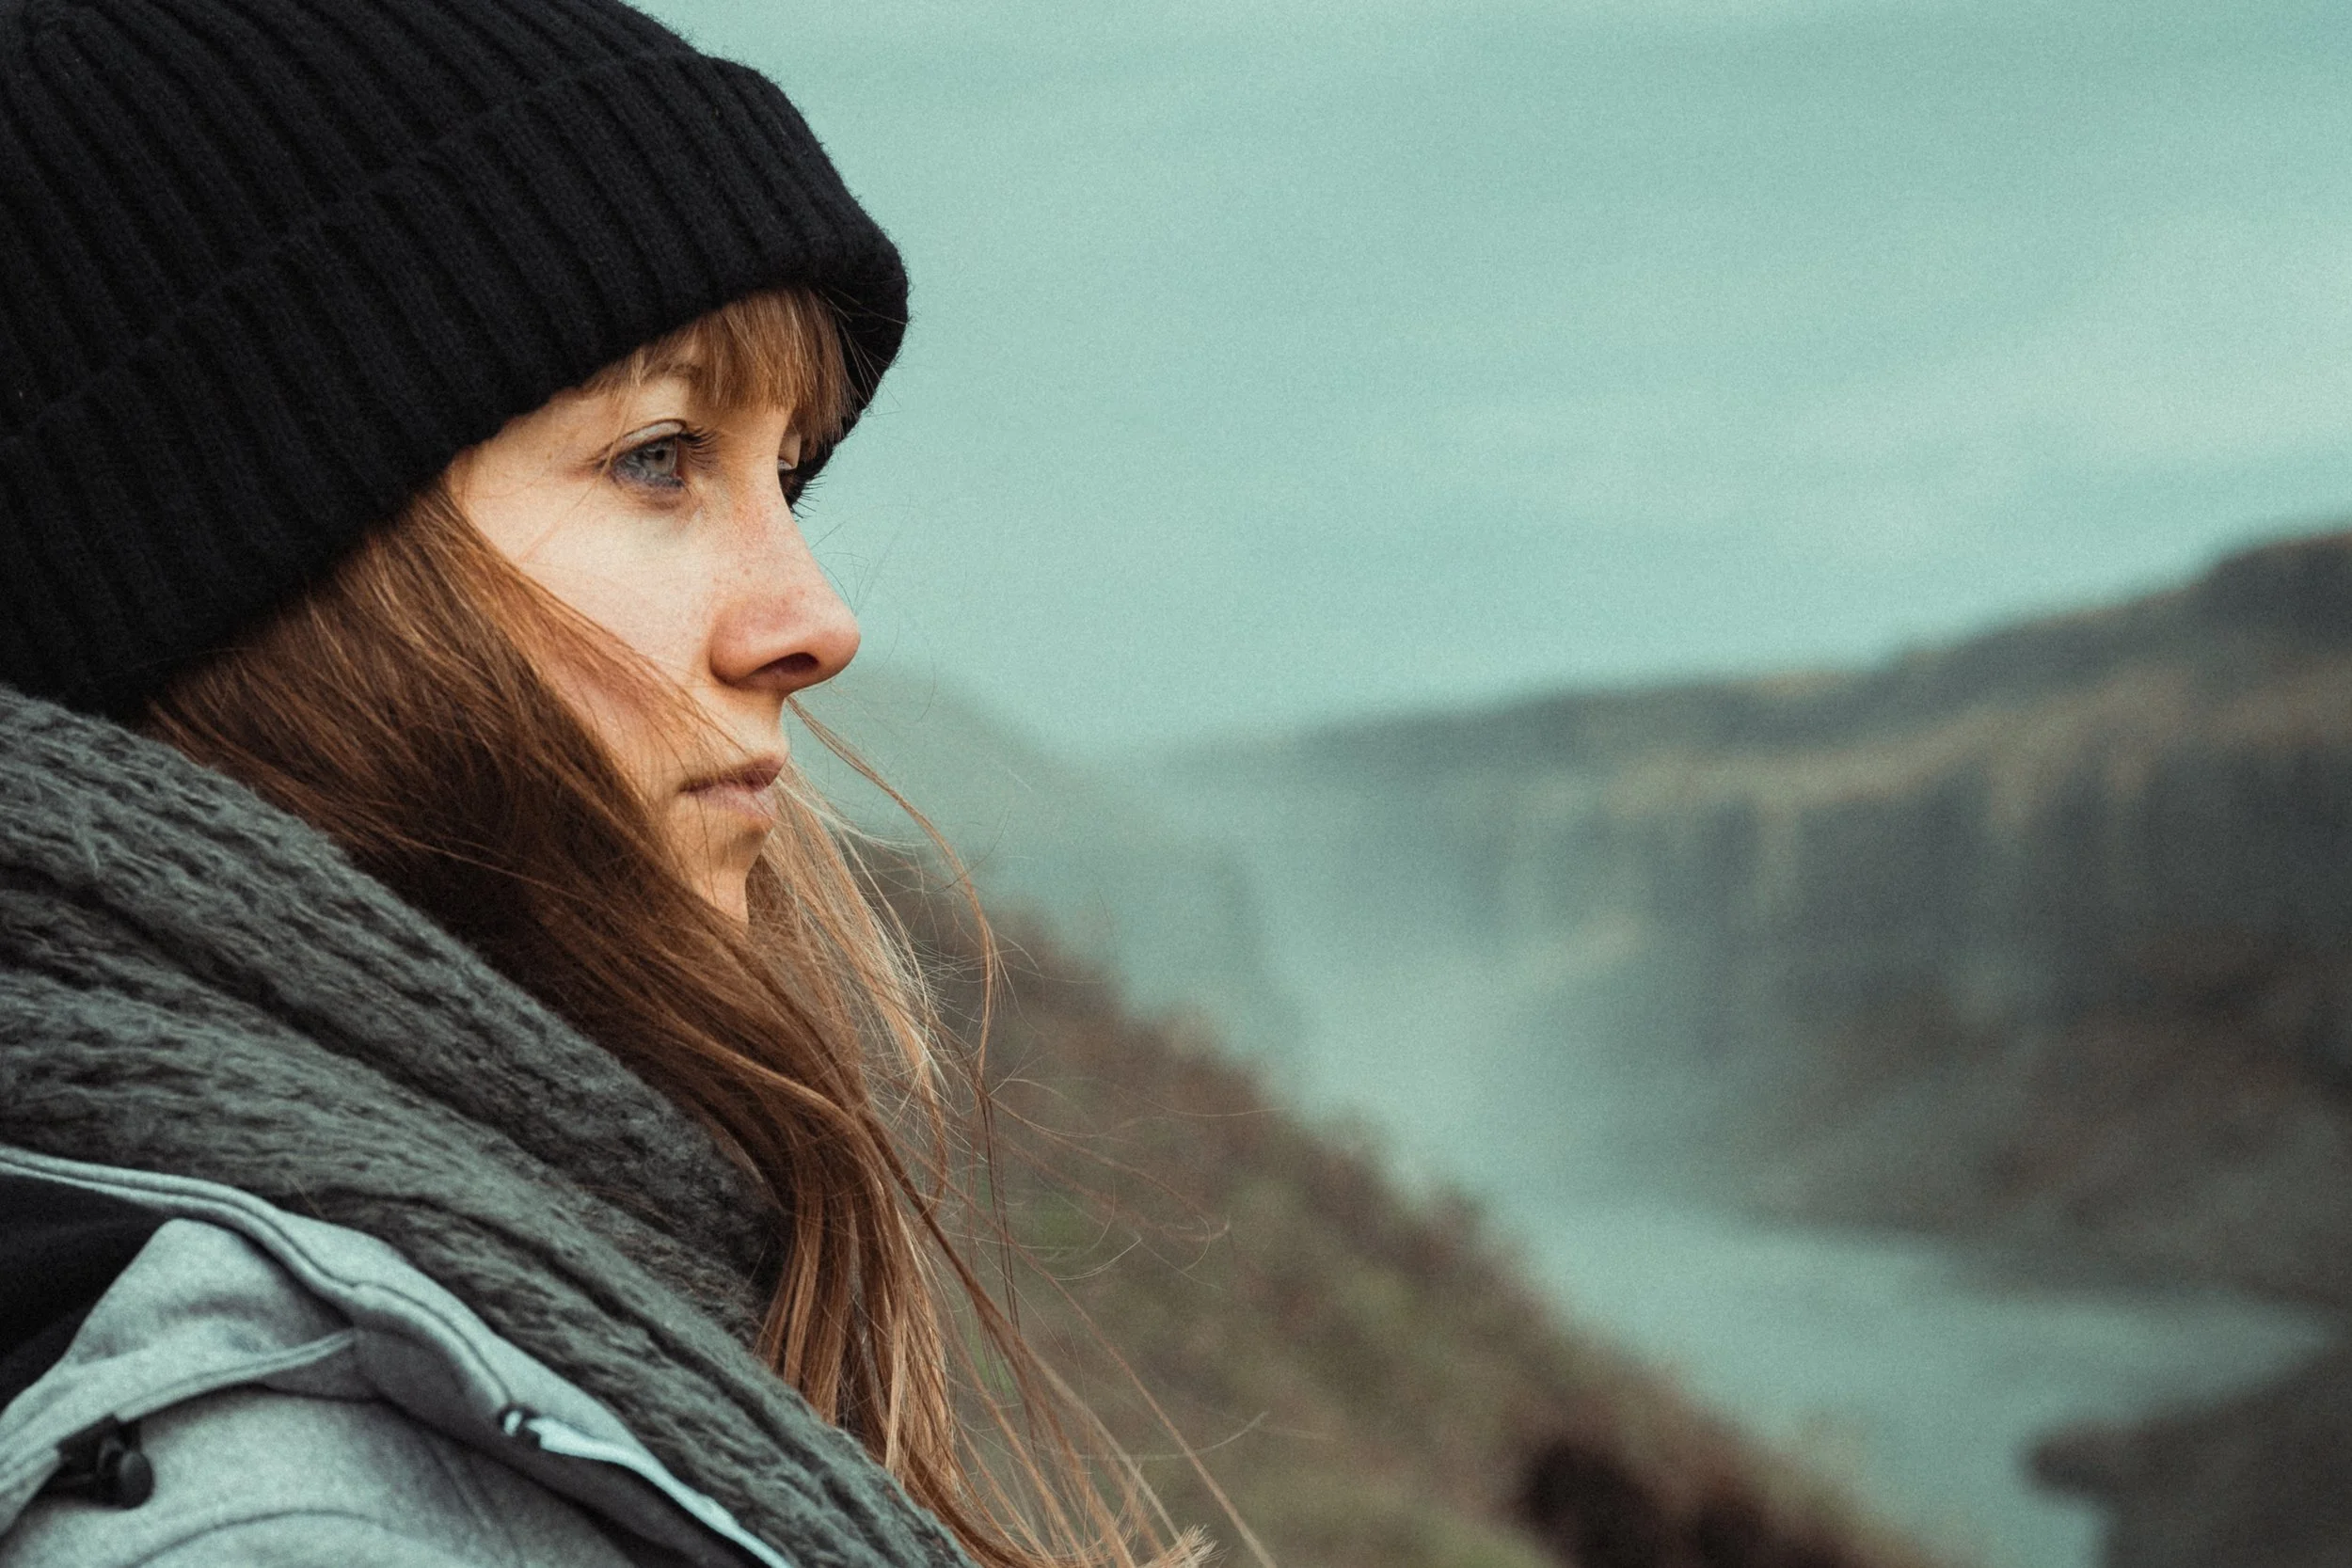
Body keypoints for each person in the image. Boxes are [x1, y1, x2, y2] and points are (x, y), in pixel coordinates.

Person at [0, 2, 1202, 1565]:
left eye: (785, 471)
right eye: (658, 455)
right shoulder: (283, 1523)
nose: (816, 622)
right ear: (246, 565)